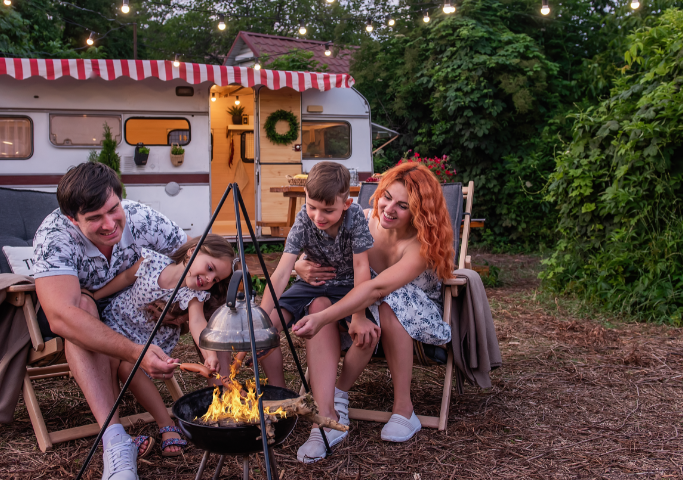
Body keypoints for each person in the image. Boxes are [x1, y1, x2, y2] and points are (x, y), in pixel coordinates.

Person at [32, 162, 187, 480]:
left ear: (119, 198)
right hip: (83, 313)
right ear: (73, 220)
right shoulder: (54, 236)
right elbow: (61, 316)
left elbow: (192, 256)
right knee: (84, 309)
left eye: (113, 209)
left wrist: (178, 300)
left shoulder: (140, 217)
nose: (109, 224)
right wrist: (136, 353)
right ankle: (116, 441)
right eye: (94, 219)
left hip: (133, 311)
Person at [292, 161, 455, 443]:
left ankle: (404, 410)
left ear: (419, 211)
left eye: (403, 206)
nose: (389, 209)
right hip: (363, 303)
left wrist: (324, 318)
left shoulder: (420, 246)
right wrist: (299, 266)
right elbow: (319, 252)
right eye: (387, 198)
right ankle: (332, 403)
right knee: (320, 299)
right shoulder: (363, 221)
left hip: (414, 315)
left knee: (387, 302)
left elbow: (378, 288)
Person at [258, 162, 378, 463]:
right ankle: (279, 397)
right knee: (264, 328)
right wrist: (258, 316)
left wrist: (360, 314)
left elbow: (363, 267)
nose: (318, 216)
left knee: (367, 336)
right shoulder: (304, 219)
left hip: (349, 287)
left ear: (346, 203)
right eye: (312, 207)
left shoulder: (354, 220)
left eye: (327, 210)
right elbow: (284, 269)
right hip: (312, 284)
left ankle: (328, 414)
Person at [94, 235, 235, 457]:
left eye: (215, 279)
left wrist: (208, 353)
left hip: (151, 341)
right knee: (108, 358)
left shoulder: (193, 294)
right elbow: (124, 279)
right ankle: (113, 431)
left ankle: (165, 424)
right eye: (209, 268)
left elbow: (198, 323)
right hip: (117, 324)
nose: (209, 279)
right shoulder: (151, 262)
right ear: (192, 251)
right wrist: (94, 297)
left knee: (127, 368)